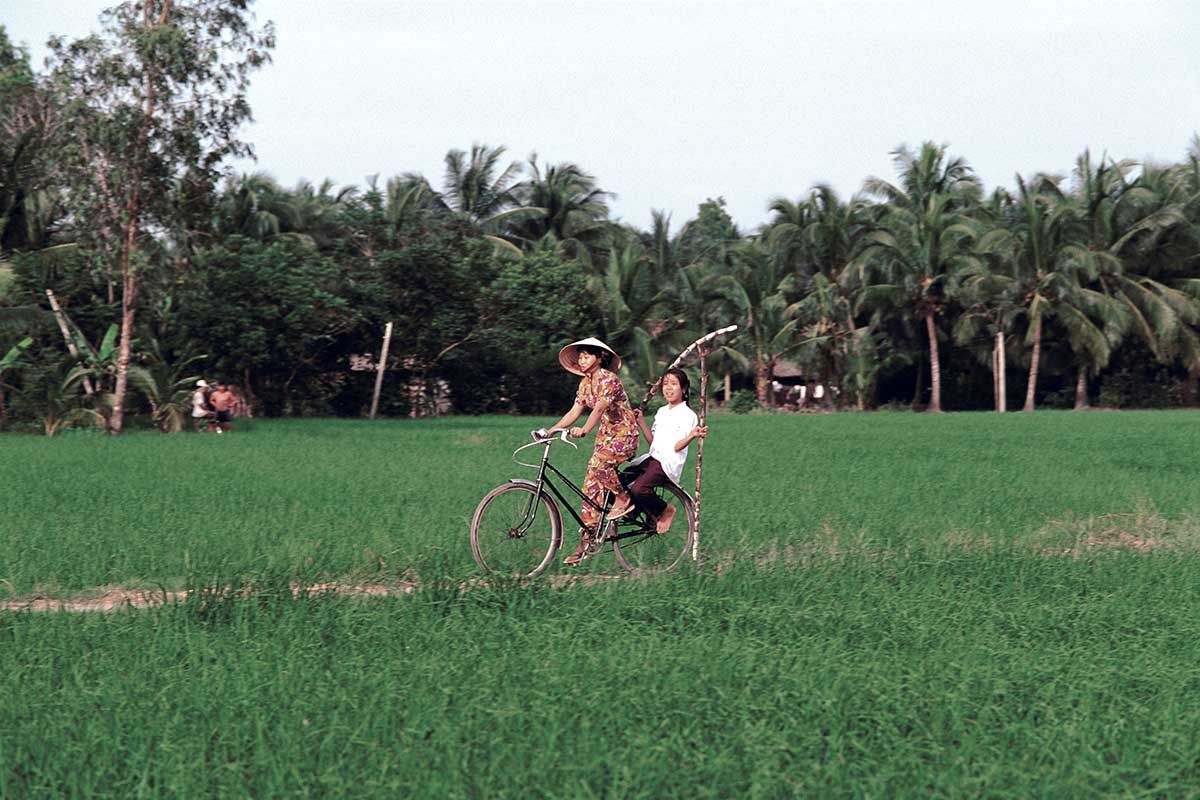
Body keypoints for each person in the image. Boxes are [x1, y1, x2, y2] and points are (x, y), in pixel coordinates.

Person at [545, 337, 639, 566]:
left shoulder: (610, 380)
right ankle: (587, 541)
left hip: (624, 436)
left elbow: (598, 409)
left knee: (598, 466)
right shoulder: (585, 384)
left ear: (600, 358)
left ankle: (623, 498)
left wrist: (585, 429)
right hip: (606, 438)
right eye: (580, 356)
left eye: (586, 355)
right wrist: (551, 430)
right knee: (590, 487)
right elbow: (575, 410)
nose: (581, 359)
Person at [616, 368, 707, 533]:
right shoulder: (661, 412)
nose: (668, 388)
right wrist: (641, 422)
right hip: (652, 458)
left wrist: (692, 436)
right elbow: (653, 442)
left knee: (638, 489)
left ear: (684, 389)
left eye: (673, 384)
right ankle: (643, 510)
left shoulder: (688, 415)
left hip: (667, 463)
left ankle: (666, 509)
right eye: (665, 384)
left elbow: (677, 447)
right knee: (618, 483)